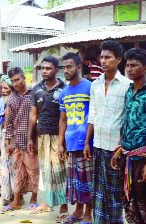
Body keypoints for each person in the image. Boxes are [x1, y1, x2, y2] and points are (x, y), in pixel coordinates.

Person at [110, 48, 146, 224]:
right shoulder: (128, 90)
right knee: (128, 201)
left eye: (134, 65)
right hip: (126, 156)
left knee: (145, 202)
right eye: (127, 65)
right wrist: (119, 150)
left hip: (143, 158)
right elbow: (126, 123)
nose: (129, 69)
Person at [83, 40, 132, 224]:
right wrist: (88, 141)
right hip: (98, 145)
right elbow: (92, 115)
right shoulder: (95, 84)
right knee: (98, 191)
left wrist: (122, 149)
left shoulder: (127, 85)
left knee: (115, 193)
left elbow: (128, 120)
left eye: (108, 57)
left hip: (116, 149)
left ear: (118, 60)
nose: (103, 61)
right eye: (101, 57)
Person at [27, 56, 68, 220]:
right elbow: (33, 115)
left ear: (56, 70)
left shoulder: (64, 89)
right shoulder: (36, 89)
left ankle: (64, 206)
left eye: (48, 68)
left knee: (60, 170)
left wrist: (63, 142)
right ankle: (47, 202)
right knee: (46, 170)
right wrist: (31, 138)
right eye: (42, 68)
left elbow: (65, 117)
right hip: (42, 135)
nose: (44, 71)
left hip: (59, 135)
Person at [58, 52, 93, 224]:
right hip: (70, 143)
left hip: (86, 143)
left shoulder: (90, 87)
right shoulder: (63, 93)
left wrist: (88, 140)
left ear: (79, 67)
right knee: (74, 180)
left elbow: (93, 116)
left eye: (69, 66)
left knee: (88, 179)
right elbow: (62, 119)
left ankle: (88, 212)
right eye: (63, 67)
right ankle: (78, 210)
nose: (65, 70)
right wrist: (60, 144)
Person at [1, 67, 39, 213]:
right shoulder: (11, 98)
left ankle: (34, 199)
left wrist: (36, 140)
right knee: (17, 171)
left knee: (33, 171)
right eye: (13, 81)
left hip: (31, 141)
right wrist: (8, 141)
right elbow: (9, 122)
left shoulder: (34, 94)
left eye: (17, 79)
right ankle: (16, 201)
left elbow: (38, 118)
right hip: (17, 141)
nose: (16, 83)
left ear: (24, 77)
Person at [0, 75, 15, 206]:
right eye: (2, 88)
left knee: (14, 167)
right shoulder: (2, 101)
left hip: (12, 137)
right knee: (5, 167)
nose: (3, 90)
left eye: (6, 88)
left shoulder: (12, 101)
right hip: (4, 135)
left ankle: (15, 195)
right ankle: (7, 195)